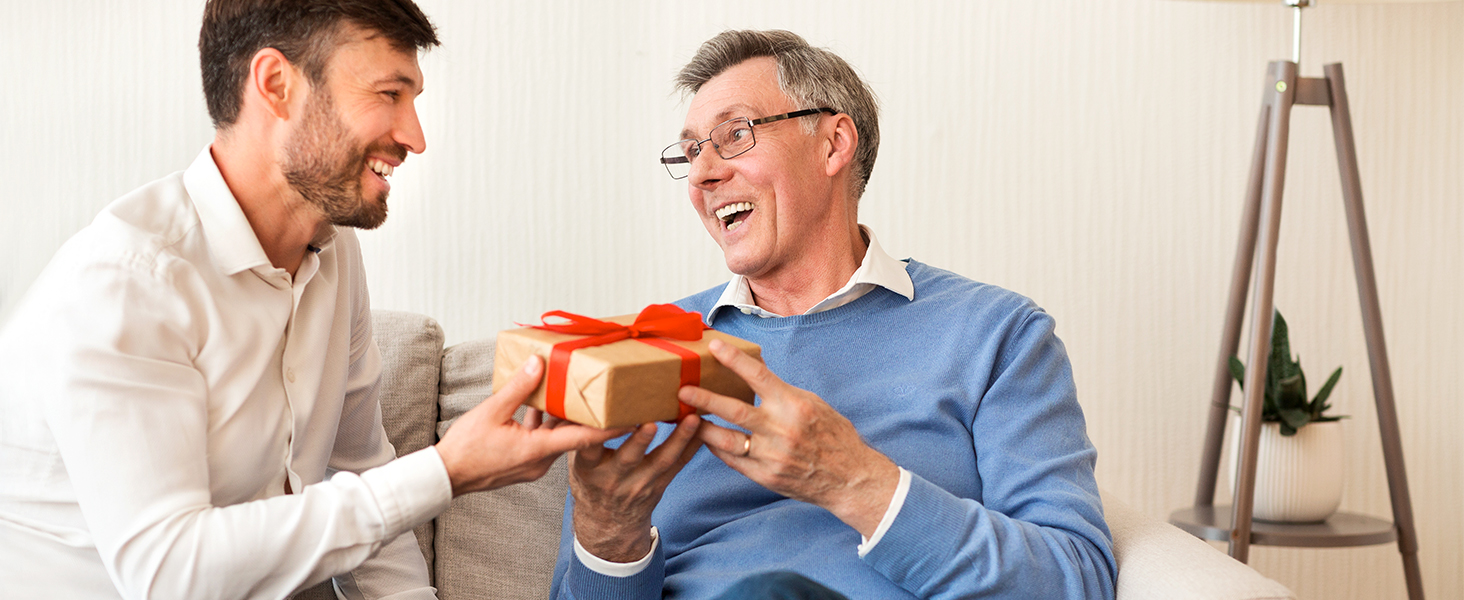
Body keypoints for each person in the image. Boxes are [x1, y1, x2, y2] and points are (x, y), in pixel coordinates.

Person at [0, 1, 623, 598]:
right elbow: (169, 573)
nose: (415, 136)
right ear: (276, 84)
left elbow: (358, 475)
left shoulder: (333, 252)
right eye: (389, 94)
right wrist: (445, 470)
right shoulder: (129, 281)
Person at [550, 30, 1116, 599]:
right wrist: (606, 535)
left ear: (832, 143)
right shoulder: (643, 351)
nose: (702, 175)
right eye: (692, 151)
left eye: (733, 135)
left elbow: (1078, 579)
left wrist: (856, 482)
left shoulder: (997, 333)